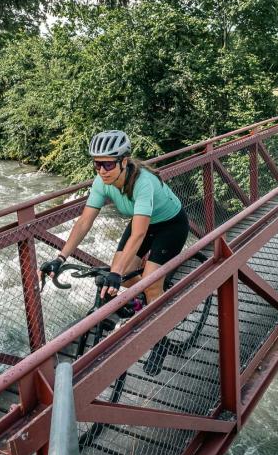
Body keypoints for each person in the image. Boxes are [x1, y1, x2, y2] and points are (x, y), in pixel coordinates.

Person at [40, 130, 189, 375]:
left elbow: (139, 234)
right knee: (126, 274)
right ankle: (147, 303)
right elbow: (84, 223)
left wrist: (116, 273)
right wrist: (60, 257)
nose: (102, 170)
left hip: (170, 224)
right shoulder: (102, 183)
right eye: (97, 164)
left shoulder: (143, 183)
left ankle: (160, 341)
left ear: (124, 162)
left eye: (108, 164)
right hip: (143, 222)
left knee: (149, 283)